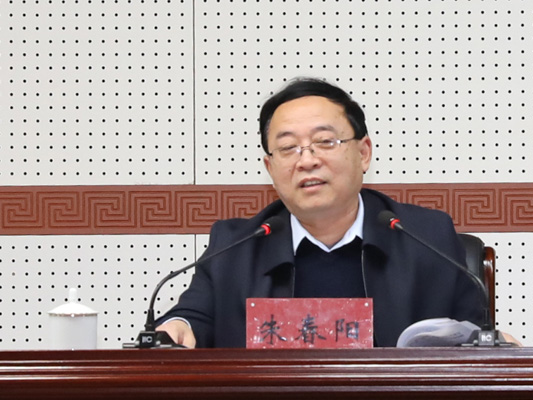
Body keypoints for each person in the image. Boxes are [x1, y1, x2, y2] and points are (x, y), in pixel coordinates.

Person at [155, 77, 490, 348]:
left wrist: (493, 345)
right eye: (288, 148)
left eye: (325, 142)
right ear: (270, 168)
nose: (307, 160)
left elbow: (475, 337)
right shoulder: (235, 246)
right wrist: (177, 327)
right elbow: (191, 318)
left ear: (363, 153)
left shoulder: (426, 237)